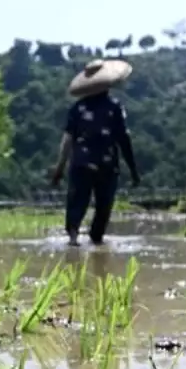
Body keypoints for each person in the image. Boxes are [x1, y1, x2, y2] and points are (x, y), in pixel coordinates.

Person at [50, 60, 141, 247]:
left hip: (81, 164)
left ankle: (73, 236)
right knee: (104, 205)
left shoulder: (77, 109)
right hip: (107, 165)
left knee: (77, 200)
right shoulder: (114, 107)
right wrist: (133, 170)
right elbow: (124, 138)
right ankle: (96, 239)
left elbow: (67, 140)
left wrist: (59, 168)